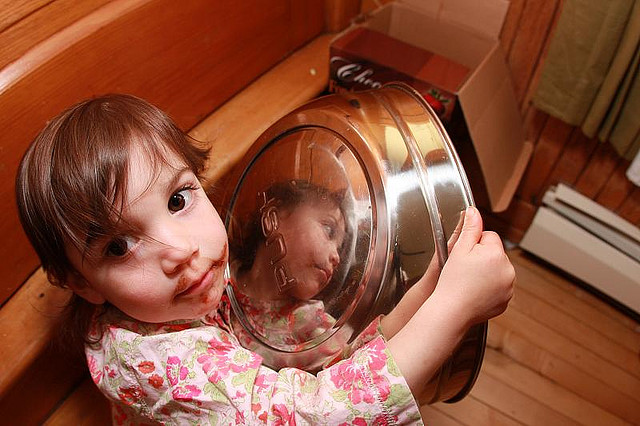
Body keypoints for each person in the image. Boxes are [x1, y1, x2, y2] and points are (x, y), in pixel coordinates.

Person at [15, 94, 515, 424]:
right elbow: (314, 415)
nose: (180, 251)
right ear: (84, 284)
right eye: (119, 247)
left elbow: (341, 354)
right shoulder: (154, 363)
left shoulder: (191, 293)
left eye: (177, 200)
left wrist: (434, 285)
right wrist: (454, 309)